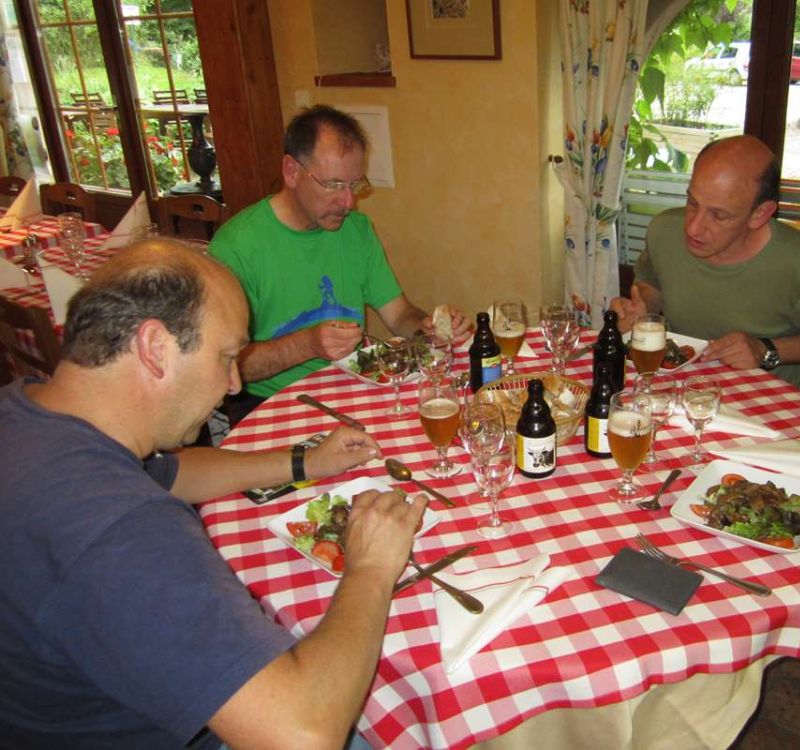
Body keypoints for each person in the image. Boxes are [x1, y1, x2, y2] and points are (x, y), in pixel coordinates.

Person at [0, 240, 427, 749]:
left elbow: (173, 472)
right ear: (155, 348)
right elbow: (304, 736)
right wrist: (370, 569)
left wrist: (303, 462)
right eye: (226, 357)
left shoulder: (30, 411)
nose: (233, 384)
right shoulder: (122, 530)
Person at [210, 105, 470, 422]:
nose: (348, 202)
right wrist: (307, 345)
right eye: (333, 185)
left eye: (354, 185)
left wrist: (427, 330)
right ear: (291, 171)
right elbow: (226, 365)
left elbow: (400, 315)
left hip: (352, 391)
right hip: (272, 403)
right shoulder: (236, 247)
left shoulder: (357, 230)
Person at [610, 135, 800, 390]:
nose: (693, 228)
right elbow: (653, 282)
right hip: (674, 387)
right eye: (692, 203)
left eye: (718, 215)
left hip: (762, 401)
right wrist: (644, 307)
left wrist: (766, 350)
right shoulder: (663, 231)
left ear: (759, 214)